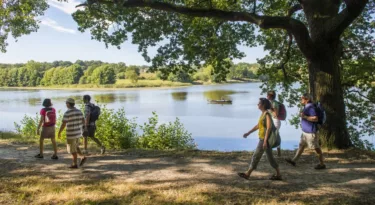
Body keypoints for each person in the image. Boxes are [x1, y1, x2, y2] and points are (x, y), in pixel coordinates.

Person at [238, 98, 282, 180]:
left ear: (263, 105)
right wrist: (248, 132)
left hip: (265, 140)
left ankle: (248, 174)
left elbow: (269, 128)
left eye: (259, 103)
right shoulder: (263, 114)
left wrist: (265, 141)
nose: (257, 105)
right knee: (269, 158)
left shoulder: (267, 114)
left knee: (256, 156)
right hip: (263, 139)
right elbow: (258, 125)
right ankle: (278, 175)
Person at [285, 93, 326, 169]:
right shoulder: (307, 106)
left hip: (311, 133)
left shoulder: (310, 107)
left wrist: (304, 116)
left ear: (307, 99)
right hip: (305, 132)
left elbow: (315, 118)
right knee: (301, 145)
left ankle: (322, 164)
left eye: (302, 98)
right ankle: (294, 160)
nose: (301, 100)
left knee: (316, 148)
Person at [58, 98, 87, 169]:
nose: (66, 105)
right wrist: (82, 128)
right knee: (76, 147)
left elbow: (63, 124)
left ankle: (74, 164)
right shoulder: (79, 111)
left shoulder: (67, 113)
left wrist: (59, 132)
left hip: (71, 134)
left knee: (72, 149)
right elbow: (83, 121)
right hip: (78, 133)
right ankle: (82, 157)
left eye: (66, 103)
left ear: (68, 104)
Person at [267, 91, 282, 156]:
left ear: (271, 96)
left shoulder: (275, 103)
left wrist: (271, 109)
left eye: (268, 95)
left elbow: (276, 114)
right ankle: (277, 152)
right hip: (272, 120)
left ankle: (277, 152)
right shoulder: (270, 103)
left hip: (276, 121)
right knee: (273, 135)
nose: (267, 96)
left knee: (274, 136)